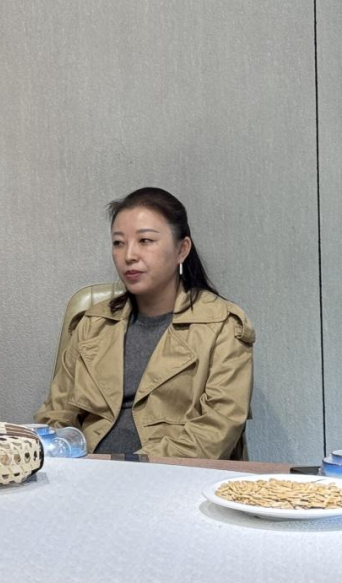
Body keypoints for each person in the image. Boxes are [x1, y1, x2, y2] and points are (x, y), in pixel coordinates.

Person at [36, 187, 255, 459]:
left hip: (175, 476)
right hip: (87, 472)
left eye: (145, 240)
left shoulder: (223, 326)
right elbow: (56, 415)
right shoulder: (93, 324)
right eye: (118, 243)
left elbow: (215, 432)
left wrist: (132, 467)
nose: (129, 255)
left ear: (182, 249)